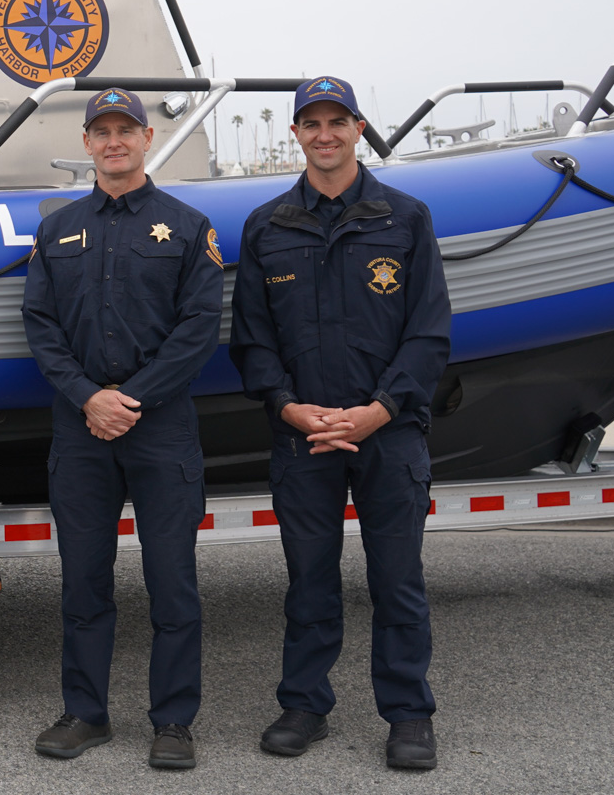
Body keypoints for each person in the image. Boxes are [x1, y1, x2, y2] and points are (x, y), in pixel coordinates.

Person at [230, 76, 452, 771]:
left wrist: (377, 412)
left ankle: (409, 715)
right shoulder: (267, 226)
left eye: (337, 121)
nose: (324, 133)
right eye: (311, 122)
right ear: (294, 132)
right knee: (310, 581)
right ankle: (303, 704)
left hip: (389, 433)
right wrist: (290, 408)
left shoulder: (404, 217)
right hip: (303, 436)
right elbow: (252, 339)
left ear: (358, 128)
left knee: (398, 581)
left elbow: (429, 333)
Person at [23, 88, 224, 771]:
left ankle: (173, 722)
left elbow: (199, 329)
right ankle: (85, 713)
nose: (114, 142)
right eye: (101, 132)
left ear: (146, 139)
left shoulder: (188, 228)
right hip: (81, 431)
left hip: (160, 428)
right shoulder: (57, 231)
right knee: (84, 583)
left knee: (173, 585)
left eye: (126, 131)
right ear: (87, 144)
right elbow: (41, 327)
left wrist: (129, 398)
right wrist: (88, 398)